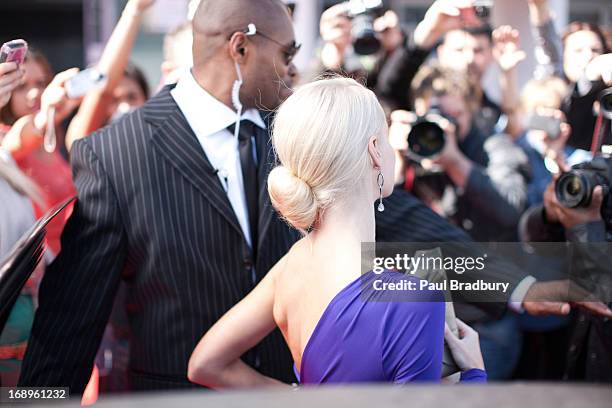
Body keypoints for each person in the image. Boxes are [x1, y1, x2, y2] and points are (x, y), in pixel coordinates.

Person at [19, 0, 300, 393]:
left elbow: (365, 243)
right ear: (240, 48)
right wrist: (32, 401)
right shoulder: (116, 154)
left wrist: (419, 281)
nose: (293, 68)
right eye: (287, 52)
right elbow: (71, 317)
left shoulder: (298, 136)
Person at [188, 77, 487, 387]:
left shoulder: (294, 263)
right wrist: (475, 373)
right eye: (385, 137)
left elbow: (205, 364)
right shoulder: (414, 299)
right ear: (374, 151)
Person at [65, 0, 153, 151]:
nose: (124, 107)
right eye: (113, 100)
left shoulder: (162, 141)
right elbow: (103, 87)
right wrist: (134, 10)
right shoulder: (85, 142)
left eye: (132, 97)